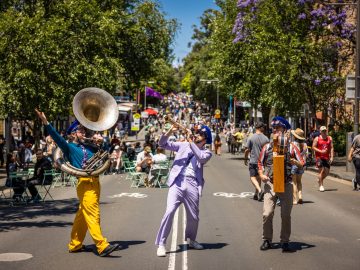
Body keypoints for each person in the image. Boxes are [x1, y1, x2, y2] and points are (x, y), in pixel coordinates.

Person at [35, 109, 119, 257]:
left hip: (95, 182)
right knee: (93, 214)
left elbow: (105, 157)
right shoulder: (69, 147)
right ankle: (101, 245)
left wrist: (102, 144)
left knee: (83, 215)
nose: (84, 132)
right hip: (85, 183)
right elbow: (57, 138)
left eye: (83, 130)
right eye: (80, 130)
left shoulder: (89, 146)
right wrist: (46, 123)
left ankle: (75, 244)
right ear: (73, 134)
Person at [155, 125, 212, 257]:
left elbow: (201, 157)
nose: (196, 135)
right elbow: (162, 143)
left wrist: (190, 142)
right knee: (169, 211)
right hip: (177, 182)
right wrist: (170, 131)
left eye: (200, 134)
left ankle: (191, 240)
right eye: (196, 133)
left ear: (205, 139)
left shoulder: (207, 152)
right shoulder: (183, 145)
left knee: (194, 216)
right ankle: (161, 244)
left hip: (193, 184)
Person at [258, 116, 304, 252]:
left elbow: (302, 164)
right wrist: (261, 175)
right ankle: (267, 240)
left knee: (285, 215)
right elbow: (260, 163)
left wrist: (294, 162)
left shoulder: (291, 147)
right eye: (274, 128)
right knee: (267, 213)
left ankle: (285, 241)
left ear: (284, 130)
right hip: (271, 184)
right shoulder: (267, 147)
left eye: (278, 128)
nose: (275, 131)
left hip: (286, 184)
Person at [244, 122, 269, 201]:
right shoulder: (266, 139)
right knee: (259, 177)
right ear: (261, 128)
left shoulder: (251, 138)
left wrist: (245, 158)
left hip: (253, 160)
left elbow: (247, 150)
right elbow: (268, 151)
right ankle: (256, 194)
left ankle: (260, 190)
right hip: (262, 162)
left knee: (252, 177)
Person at [312, 126, 334, 192]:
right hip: (319, 157)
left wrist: (332, 156)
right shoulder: (317, 138)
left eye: (325, 131)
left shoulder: (329, 138)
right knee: (321, 171)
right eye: (323, 131)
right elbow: (313, 147)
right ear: (320, 132)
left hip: (326, 157)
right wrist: (321, 151)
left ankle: (320, 179)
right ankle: (321, 185)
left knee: (327, 172)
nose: (324, 132)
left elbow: (332, 148)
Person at [290, 128, 308, 204]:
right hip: (301, 165)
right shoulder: (305, 145)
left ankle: (295, 199)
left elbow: (290, 154)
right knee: (299, 181)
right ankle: (300, 196)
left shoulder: (292, 144)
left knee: (294, 182)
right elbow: (306, 155)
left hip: (294, 164)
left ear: (295, 136)